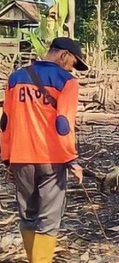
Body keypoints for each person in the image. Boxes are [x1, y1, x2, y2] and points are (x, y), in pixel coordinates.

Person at [1, 37, 87, 263]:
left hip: (21, 157)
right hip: (53, 159)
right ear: (64, 55)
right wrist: (72, 160)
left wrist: (7, 158)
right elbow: (63, 123)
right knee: (48, 220)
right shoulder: (68, 82)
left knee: (28, 216)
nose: (72, 69)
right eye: (72, 63)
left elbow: (5, 122)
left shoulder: (15, 78)